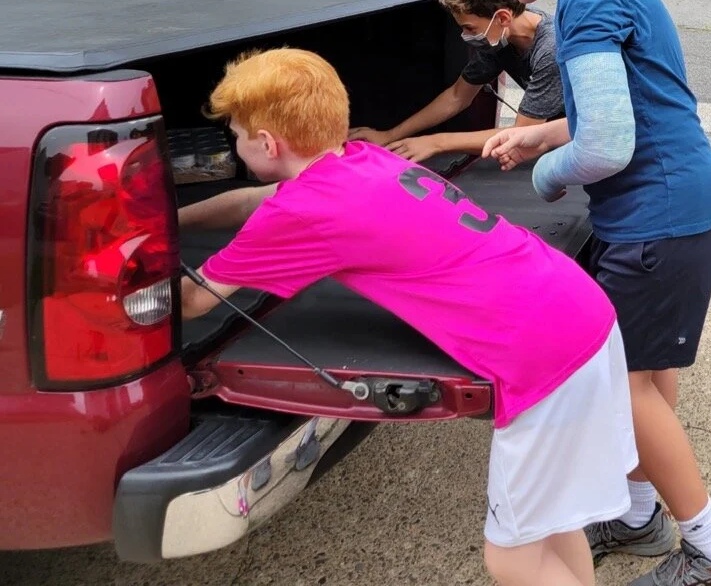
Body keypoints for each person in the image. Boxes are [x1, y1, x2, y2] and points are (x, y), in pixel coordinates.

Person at [179, 48, 635, 586]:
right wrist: (173, 221)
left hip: (542, 354)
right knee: (555, 528)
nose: (235, 145)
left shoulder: (302, 212)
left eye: (235, 135)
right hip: (580, 311)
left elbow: (191, 302)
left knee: (511, 558)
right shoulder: (359, 162)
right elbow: (254, 201)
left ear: (266, 144)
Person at [477, 0, 711, 586]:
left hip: (659, 212)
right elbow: (621, 109)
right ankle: (638, 516)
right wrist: (537, 138)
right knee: (646, 376)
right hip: (678, 202)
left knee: (624, 386)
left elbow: (607, 147)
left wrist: (546, 178)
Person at [349, 0, 563, 162]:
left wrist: (437, 143)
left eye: (470, 28)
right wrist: (389, 135)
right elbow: (457, 96)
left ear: (503, 18)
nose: (466, 37)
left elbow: (523, 134)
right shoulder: (501, 38)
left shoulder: (550, 51)